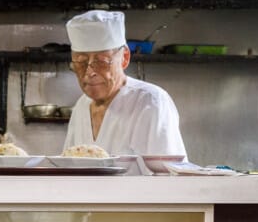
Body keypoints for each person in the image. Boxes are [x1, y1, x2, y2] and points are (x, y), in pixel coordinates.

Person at [61, 10, 188, 159]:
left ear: (124, 57)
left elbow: (169, 173)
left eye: (101, 61)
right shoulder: (81, 106)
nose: (90, 72)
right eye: (81, 62)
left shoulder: (151, 102)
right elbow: (68, 165)